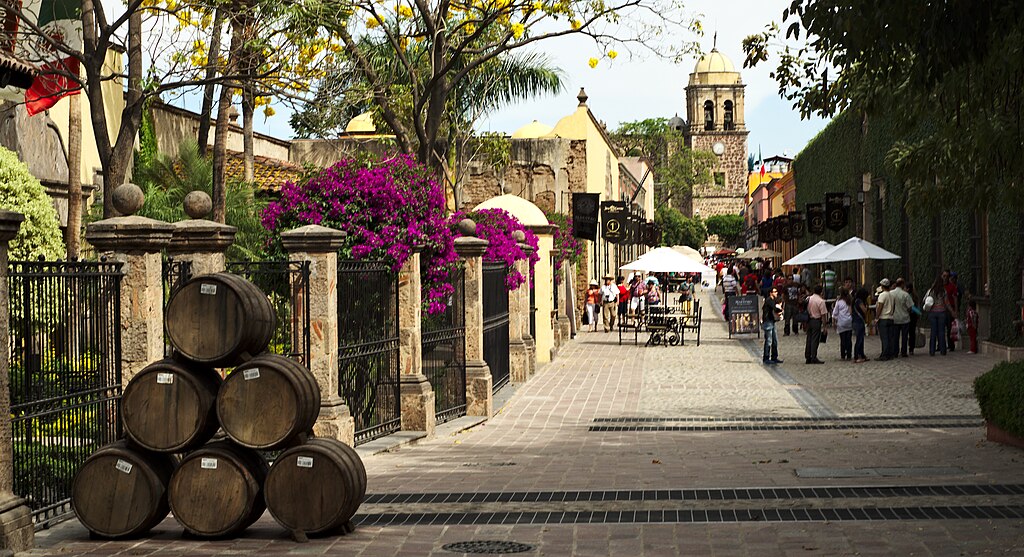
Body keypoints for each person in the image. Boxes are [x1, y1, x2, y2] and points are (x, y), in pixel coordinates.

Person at [924, 276, 949, 356]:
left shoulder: (931, 291)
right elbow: (946, 302)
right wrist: (951, 311)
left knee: (933, 331)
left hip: (932, 312)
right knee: (941, 332)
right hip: (941, 312)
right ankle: (943, 350)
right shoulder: (943, 291)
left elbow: (926, 300)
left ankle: (932, 350)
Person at [891, 278, 915, 357]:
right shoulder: (905, 294)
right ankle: (903, 351)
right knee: (904, 336)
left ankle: (895, 352)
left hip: (895, 317)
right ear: (902, 284)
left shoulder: (891, 293)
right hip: (904, 318)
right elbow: (910, 307)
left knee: (895, 336)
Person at [805, 285, 828, 364]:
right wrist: (825, 326)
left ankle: (808, 356)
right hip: (816, 320)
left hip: (809, 319)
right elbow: (823, 315)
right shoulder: (821, 301)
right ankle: (813, 357)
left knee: (809, 339)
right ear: (821, 292)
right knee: (815, 339)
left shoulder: (809, 298)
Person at [762, 287, 784, 364]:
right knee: (769, 340)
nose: (776, 293)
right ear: (770, 293)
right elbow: (775, 308)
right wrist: (781, 310)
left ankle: (774, 357)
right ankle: (766, 357)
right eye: (775, 291)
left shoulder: (773, 300)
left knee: (774, 340)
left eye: (776, 291)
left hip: (772, 321)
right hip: (768, 321)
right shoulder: (769, 300)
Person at [874, 279, 894, 361]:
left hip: (883, 318)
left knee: (884, 337)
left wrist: (876, 317)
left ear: (882, 286)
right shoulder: (892, 295)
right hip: (891, 318)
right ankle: (890, 353)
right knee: (890, 337)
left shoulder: (882, 295)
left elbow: (880, 307)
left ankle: (884, 354)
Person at [832, 287, 854, 361]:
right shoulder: (850, 301)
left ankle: (843, 355)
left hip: (841, 322)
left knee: (843, 339)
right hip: (849, 322)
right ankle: (849, 354)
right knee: (849, 339)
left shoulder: (839, 302)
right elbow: (851, 312)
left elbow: (835, 313)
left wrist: (834, 322)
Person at [852, 287, 870, 363]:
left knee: (861, 339)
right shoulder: (859, 301)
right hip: (859, 321)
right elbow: (864, 310)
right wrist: (867, 307)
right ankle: (856, 356)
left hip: (856, 321)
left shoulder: (855, 300)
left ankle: (862, 355)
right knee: (859, 339)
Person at [943, 270, 959, 351]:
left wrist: (955, 310)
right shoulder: (940, 286)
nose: (945, 278)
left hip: (950, 309)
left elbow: (955, 298)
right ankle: (941, 345)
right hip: (941, 308)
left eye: (946, 276)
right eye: (944, 276)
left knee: (950, 328)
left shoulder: (952, 286)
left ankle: (951, 345)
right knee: (941, 327)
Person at [906, 282, 920, 356]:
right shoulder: (915, 296)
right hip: (914, 315)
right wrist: (918, 313)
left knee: (906, 332)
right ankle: (911, 348)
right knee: (912, 333)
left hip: (908, 315)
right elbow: (917, 306)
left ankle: (906, 347)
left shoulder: (907, 296)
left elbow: (910, 306)